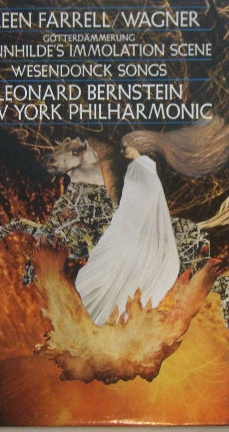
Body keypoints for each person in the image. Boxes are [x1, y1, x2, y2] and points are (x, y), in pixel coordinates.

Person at [74, 140, 180, 326]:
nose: (123, 152)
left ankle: (113, 314)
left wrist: (131, 215)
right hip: (130, 219)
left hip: (138, 223)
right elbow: (132, 199)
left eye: (126, 148)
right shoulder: (136, 169)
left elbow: (146, 197)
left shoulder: (144, 167)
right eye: (122, 148)